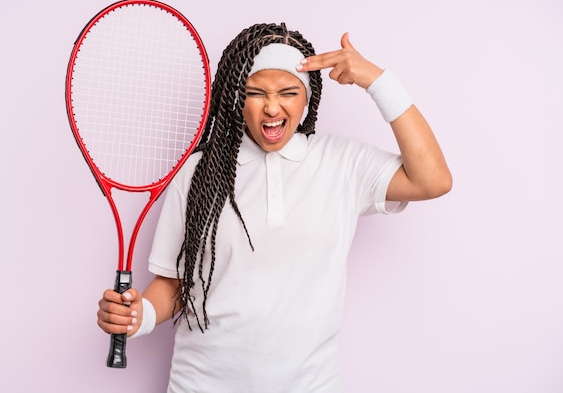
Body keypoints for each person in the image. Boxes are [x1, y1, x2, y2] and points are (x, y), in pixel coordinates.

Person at [97, 22, 452, 392]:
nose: (271, 107)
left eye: (287, 92)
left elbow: (433, 180)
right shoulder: (200, 172)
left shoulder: (341, 163)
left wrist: (378, 82)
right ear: (237, 97)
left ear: (307, 98)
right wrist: (140, 316)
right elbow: (175, 282)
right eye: (255, 93)